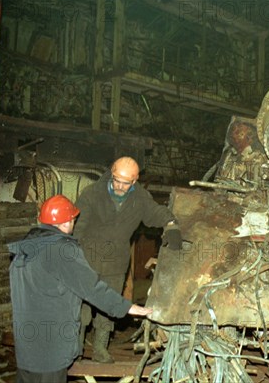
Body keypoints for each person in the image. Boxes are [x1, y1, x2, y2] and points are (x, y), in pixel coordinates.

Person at [9, 195, 152, 383]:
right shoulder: (62, 250)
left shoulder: (23, 251)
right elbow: (92, 288)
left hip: (26, 349)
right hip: (50, 351)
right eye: (73, 220)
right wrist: (128, 307)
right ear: (67, 221)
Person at [73, 156, 182, 363]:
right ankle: (75, 348)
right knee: (82, 308)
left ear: (134, 181)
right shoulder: (92, 194)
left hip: (116, 262)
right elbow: (78, 226)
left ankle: (100, 349)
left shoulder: (140, 199)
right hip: (88, 259)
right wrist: (74, 255)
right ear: (111, 174)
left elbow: (155, 213)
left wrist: (171, 224)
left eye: (126, 183)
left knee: (109, 307)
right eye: (117, 180)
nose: (120, 186)